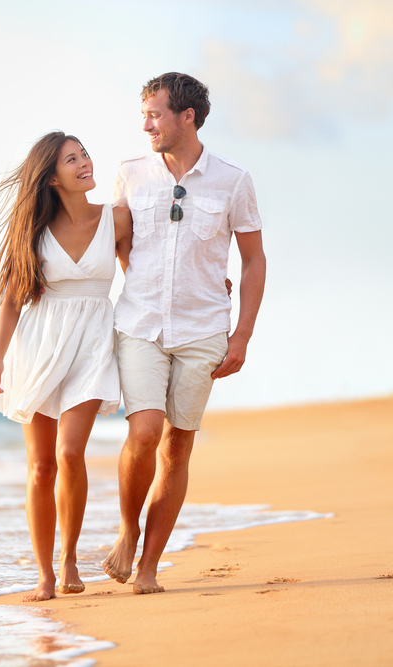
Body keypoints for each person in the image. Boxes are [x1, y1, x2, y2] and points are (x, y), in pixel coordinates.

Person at [101, 73, 267, 594]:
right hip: (140, 323)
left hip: (203, 330)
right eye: (145, 113)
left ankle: (149, 566)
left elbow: (254, 258)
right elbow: (119, 242)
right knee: (144, 432)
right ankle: (128, 530)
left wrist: (241, 336)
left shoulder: (233, 180)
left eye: (154, 113)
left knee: (177, 448)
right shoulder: (130, 173)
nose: (145, 123)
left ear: (187, 116)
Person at [0, 131, 133, 602]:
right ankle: (45, 573)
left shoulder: (116, 220)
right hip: (39, 345)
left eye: (84, 153)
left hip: (92, 343)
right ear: (51, 177)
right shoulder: (34, 233)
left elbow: (144, 276)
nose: (85, 161)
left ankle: (69, 557)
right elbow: (10, 302)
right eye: (72, 158)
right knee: (42, 466)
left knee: (68, 454)